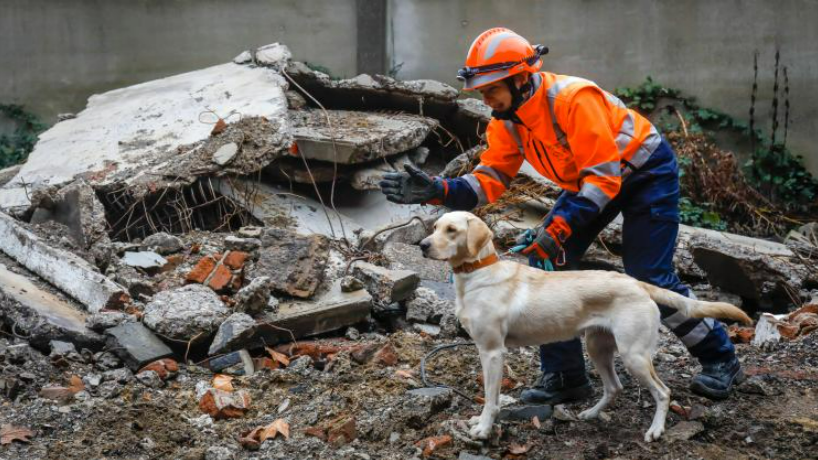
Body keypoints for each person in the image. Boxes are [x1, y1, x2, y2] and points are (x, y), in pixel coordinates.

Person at [379, 27, 743, 403]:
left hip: (645, 173)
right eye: (482, 91)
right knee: (548, 258)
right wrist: (440, 191)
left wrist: (556, 228)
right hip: (589, 181)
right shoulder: (506, 118)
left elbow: (603, 182)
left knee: (649, 274)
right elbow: (491, 178)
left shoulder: (573, 99)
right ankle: (566, 377)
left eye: (491, 89)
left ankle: (721, 359)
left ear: (520, 79)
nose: (486, 99)